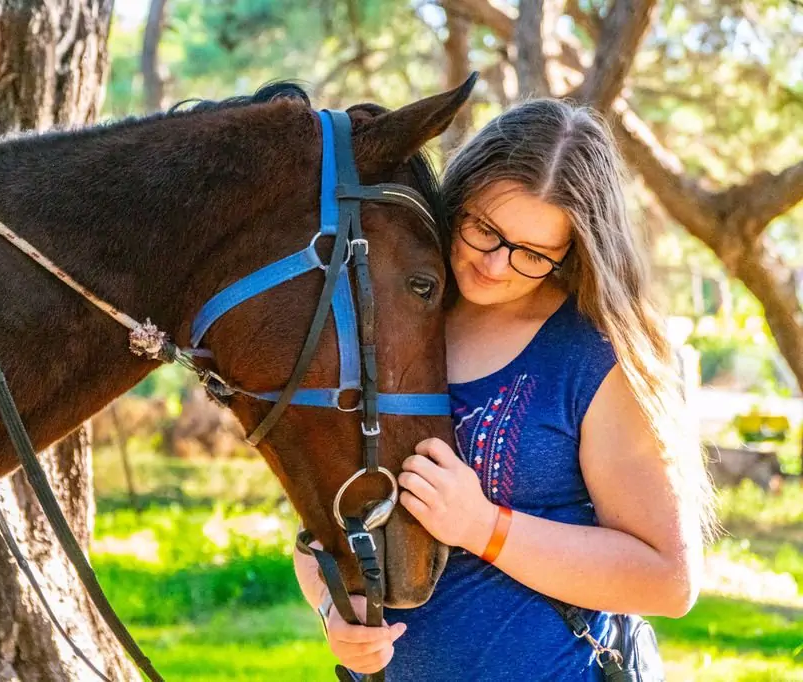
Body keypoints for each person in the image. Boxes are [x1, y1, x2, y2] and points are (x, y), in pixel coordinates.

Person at [293, 98, 714, 681]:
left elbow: (668, 580)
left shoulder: (595, 358)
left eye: (533, 253)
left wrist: (483, 527)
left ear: (574, 251)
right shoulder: (385, 323)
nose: (495, 265)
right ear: (457, 198)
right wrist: (333, 611)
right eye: (484, 229)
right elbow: (321, 526)